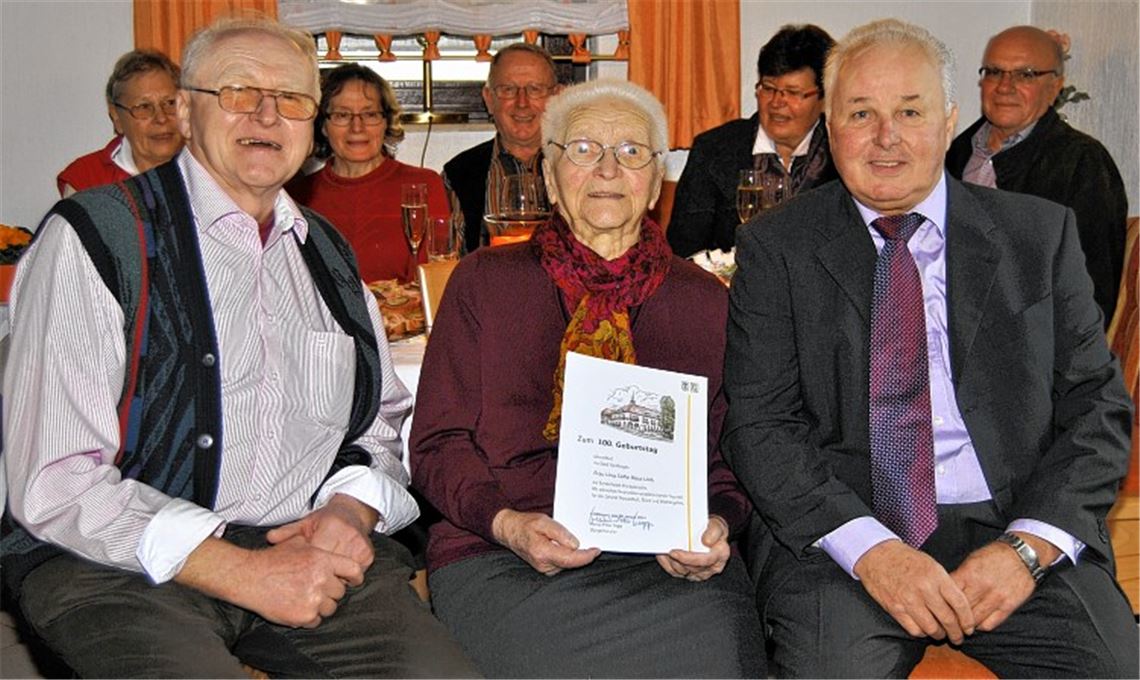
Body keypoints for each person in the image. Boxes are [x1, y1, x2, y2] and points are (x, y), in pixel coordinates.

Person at [2, 17, 475, 678]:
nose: (266, 114)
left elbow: (381, 427)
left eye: (292, 100)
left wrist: (349, 507)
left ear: (310, 126)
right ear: (186, 112)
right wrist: (237, 570)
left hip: (301, 542)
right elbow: (52, 479)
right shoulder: (95, 239)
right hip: (119, 560)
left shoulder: (327, 256)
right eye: (236, 91)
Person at [723, 18, 1137, 678]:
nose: (887, 137)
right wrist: (872, 551)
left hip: (1012, 524)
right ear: (830, 127)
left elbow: (1096, 410)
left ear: (948, 122)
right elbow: (760, 426)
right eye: (861, 112)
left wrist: (1028, 549)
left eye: (909, 111)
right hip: (846, 536)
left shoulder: (1037, 236)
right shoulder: (779, 248)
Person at [411, 79, 764, 678]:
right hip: (504, 551)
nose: (606, 167)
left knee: (716, 654)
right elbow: (438, 444)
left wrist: (717, 524)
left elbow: (734, 455)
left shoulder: (707, 300)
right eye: (582, 149)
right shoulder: (483, 282)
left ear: (656, 184)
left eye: (631, 151)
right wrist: (508, 523)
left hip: (666, 560)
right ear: (550, 176)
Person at [946, 26, 1128, 327]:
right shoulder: (951, 157)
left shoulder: (1081, 164)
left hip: (1027, 357)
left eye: (1025, 74)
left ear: (1055, 86)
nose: (1005, 86)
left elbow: (1089, 294)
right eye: (994, 72)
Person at [668, 24, 838, 257]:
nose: (777, 102)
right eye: (769, 88)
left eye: (793, 92)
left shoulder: (844, 155)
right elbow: (683, 250)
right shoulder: (713, 150)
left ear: (824, 98)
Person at [288, 64, 449, 283]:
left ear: (385, 122)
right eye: (342, 115)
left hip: (403, 315)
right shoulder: (295, 196)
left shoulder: (422, 186)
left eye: (370, 114)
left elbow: (435, 282)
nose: (357, 127)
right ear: (323, 126)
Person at [442, 42, 560, 253]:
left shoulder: (582, 167)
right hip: (485, 286)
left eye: (535, 89)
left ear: (557, 98)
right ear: (489, 99)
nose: (522, 103)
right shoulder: (458, 174)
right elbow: (450, 267)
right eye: (508, 89)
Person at [56, 49, 184, 196]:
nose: (161, 118)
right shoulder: (87, 179)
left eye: (170, 103)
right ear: (116, 117)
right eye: (144, 107)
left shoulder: (207, 171)